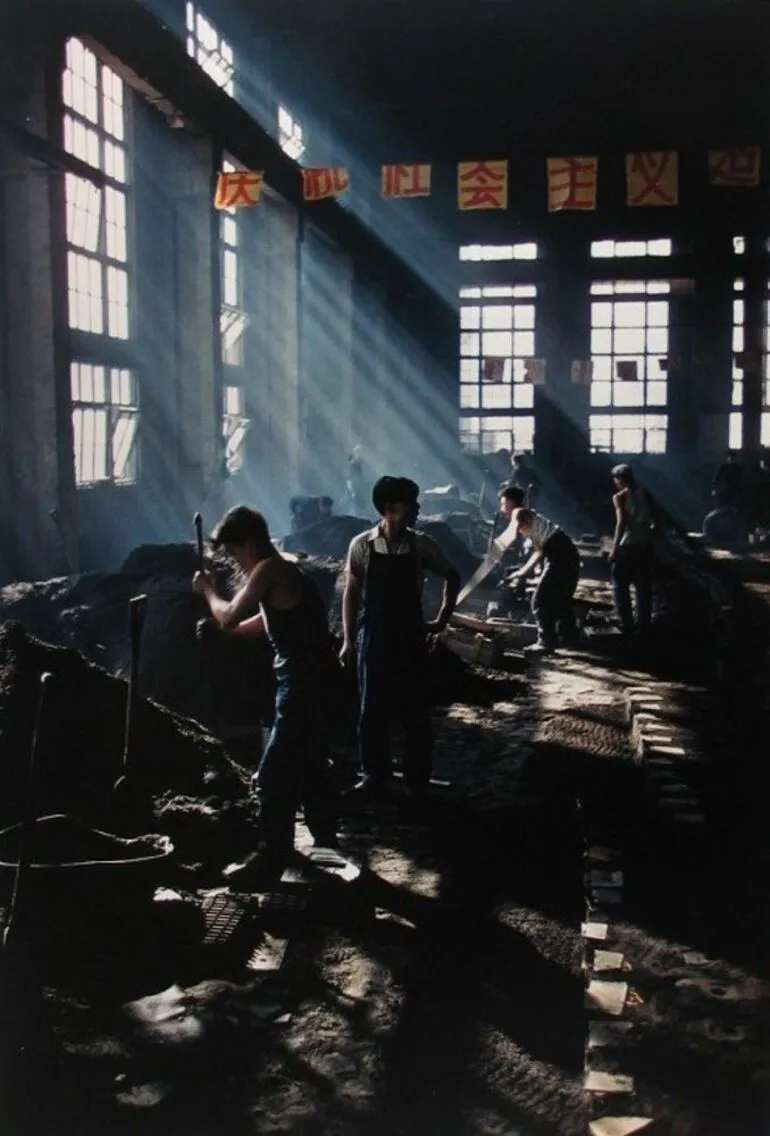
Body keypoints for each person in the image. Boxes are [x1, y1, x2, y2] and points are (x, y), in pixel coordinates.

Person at [192, 504, 338, 887]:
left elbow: (230, 616)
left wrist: (207, 591)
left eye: (236, 551)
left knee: (273, 774)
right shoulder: (286, 569)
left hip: (302, 683)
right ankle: (326, 844)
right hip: (312, 680)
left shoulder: (269, 568)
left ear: (251, 542)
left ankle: (273, 857)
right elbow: (259, 624)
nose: (236, 562)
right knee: (309, 763)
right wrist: (223, 630)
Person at [340, 476, 461, 802]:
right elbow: (352, 592)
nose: (418, 509)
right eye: (412, 503)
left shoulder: (421, 545)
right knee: (372, 711)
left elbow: (453, 576)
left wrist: (441, 620)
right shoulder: (362, 545)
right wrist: (348, 639)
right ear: (391, 509)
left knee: (415, 713)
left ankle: (416, 780)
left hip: (410, 638)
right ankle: (374, 776)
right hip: (374, 637)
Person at [508, 507, 580, 655]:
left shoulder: (532, 524)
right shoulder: (539, 525)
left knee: (539, 600)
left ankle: (546, 642)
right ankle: (569, 637)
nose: (520, 531)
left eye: (520, 527)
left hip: (560, 556)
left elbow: (540, 552)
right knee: (561, 598)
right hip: (567, 554)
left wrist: (522, 573)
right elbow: (539, 551)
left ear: (526, 520)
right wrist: (524, 572)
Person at [609, 464, 655, 639]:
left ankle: (626, 623)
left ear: (619, 479)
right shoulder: (647, 494)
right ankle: (643, 625)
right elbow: (655, 522)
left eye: (615, 480)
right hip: (645, 545)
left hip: (628, 545)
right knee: (643, 587)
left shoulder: (619, 497)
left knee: (619, 584)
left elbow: (621, 524)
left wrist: (614, 548)